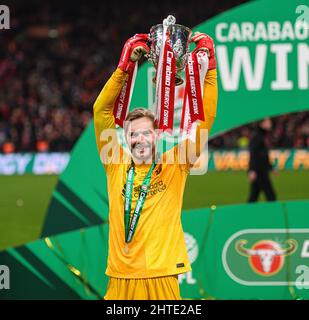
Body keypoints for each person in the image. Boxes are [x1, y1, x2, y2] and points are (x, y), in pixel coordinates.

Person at [93, 32, 218, 300]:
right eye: (133, 133)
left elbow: (205, 121)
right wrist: (123, 68)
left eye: (145, 133)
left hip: (161, 277)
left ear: (157, 135)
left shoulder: (176, 163)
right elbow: (101, 111)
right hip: (120, 279)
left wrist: (210, 73)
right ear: (125, 138)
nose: (139, 139)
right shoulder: (115, 164)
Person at [247, 118, 277, 202]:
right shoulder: (257, 136)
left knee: (254, 196)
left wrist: (271, 167)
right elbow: (253, 154)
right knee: (271, 196)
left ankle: (246, 214)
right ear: (262, 123)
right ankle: (274, 213)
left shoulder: (261, 135)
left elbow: (264, 155)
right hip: (259, 171)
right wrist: (252, 170)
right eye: (268, 121)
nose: (270, 123)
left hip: (261, 170)